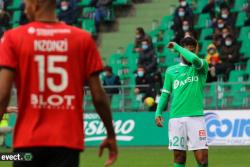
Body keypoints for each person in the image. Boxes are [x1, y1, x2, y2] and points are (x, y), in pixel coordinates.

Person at [0, 1, 118, 167]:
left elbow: (2, 95)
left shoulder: (13, 38)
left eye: (25, 4)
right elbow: (98, 96)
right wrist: (111, 135)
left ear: (35, 4)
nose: (24, 10)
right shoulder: (82, 39)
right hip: (66, 143)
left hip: (27, 143)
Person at [155, 37, 208, 167]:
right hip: (176, 118)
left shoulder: (201, 65)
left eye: (192, 49)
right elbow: (165, 93)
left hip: (196, 117)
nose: (189, 52)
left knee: (202, 160)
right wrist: (158, 112)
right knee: (179, 158)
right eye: (186, 49)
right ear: (180, 53)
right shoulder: (171, 71)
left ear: (196, 50)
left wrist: (178, 47)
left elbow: (194, 59)